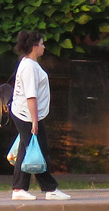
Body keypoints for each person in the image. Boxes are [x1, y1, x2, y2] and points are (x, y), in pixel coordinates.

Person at [9, 31, 70, 201]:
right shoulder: (29, 66)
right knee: (39, 150)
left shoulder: (29, 64)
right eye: (42, 44)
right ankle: (49, 189)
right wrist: (35, 120)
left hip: (24, 114)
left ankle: (19, 189)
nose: (44, 47)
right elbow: (31, 96)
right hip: (26, 115)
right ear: (34, 47)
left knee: (27, 149)